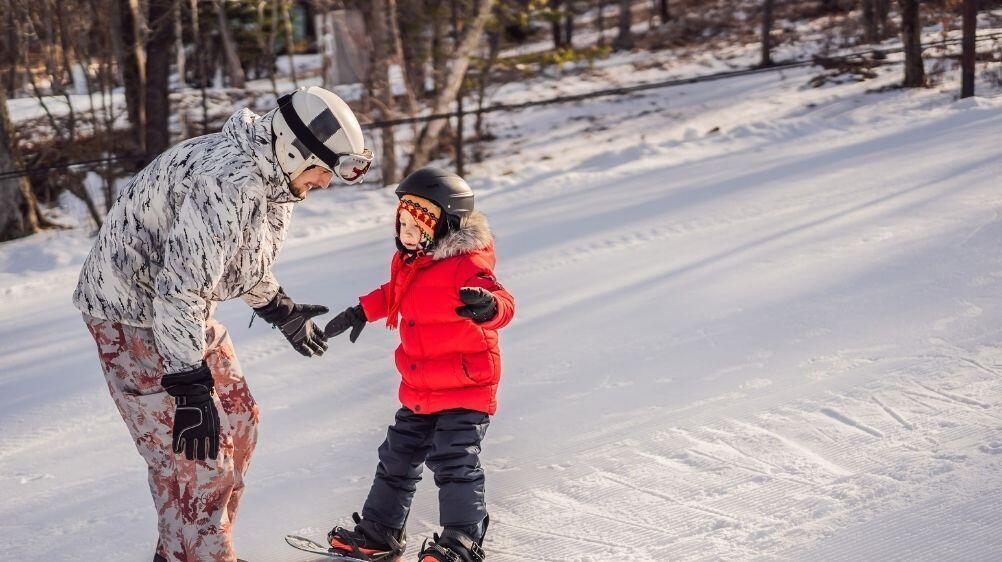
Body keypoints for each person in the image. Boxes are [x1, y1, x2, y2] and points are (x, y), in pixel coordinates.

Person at [74, 86, 373, 562]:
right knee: (197, 461)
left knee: (241, 422)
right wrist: (189, 389)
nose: (325, 184)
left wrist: (280, 308)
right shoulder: (226, 182)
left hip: (181, 311)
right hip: (133, 316)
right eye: (324, 170)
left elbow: (237, 261)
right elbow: (181, 288)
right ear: (294, 150)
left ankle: (196, 548)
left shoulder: (275, 180)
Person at [323, 167, 515, 562]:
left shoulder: (466, 264)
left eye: (419, 224)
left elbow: (504, 301)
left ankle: (463, 539)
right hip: (420, 388)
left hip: (465, 387)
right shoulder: (411, 262)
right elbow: (393, 293)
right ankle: (381, 531)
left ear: (447, 224)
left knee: (453, 460)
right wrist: (361, 310)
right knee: (397, 456)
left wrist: (489, 306)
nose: (408, 233)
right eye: (403, 222)